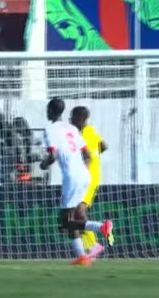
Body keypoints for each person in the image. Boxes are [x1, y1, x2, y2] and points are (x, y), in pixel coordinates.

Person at [40, 99, 113, 266]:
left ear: (50, 111)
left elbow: (52, 155)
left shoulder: (50, 130)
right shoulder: (72, 129)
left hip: (72, 177)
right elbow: (87, 155)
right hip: (84, 175)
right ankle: (82, 256)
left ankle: (101, 227)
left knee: (66, 221)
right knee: (73, 217)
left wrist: (43, 164)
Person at [70, 106, 113, 252]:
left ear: (79, 119)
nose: (70, 120)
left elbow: (86, 157)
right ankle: (94, 245)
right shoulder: (91, 131)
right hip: (93, 177)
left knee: (79, 211)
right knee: (77, 212)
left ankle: (101, 232)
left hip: (87, 178)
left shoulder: (82, 135)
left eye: (72, 117)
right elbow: (104, 146)